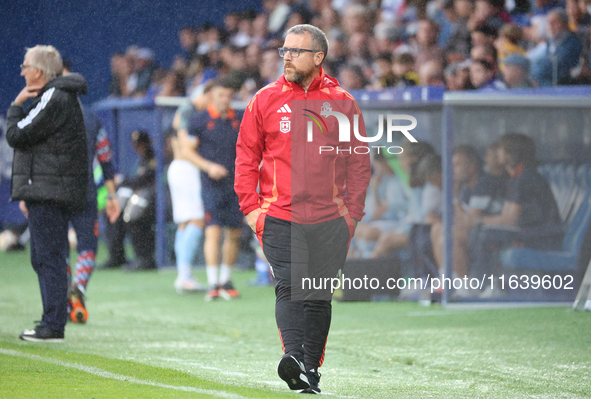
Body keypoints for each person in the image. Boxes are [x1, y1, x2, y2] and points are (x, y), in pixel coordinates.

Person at [235, 24, 371, 393]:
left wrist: (352, 216)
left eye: (296, 50)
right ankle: (292, 358)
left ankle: (310, 371)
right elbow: (247, 157)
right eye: (285, 50)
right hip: (279, 215)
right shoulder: (264, 100)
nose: (288, 57)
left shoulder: (342, 102)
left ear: (318, 57)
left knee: (318, 295)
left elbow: (359, 161)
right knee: (290, 285)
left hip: (331, 219)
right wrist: (251, 210)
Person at [6, 45, 88, 342]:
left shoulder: (54, 96)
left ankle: (53, 325)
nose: (22, 71)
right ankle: (52, 319)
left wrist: (15, 106)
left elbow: (17, 134)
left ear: (38, 72)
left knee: (49, 257)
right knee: (43, 257)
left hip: (51, 192)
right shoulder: (58, 96)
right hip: (49, 189)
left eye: (25, 66)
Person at [61, 62, 121, 323]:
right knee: (87, 246)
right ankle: (79, 287)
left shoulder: (43, 116)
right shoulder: (92, 119)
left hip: (52, 193)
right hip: (84, 192)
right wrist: (112, 196)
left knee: (57, 248)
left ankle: (61, 295)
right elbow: (106, 159)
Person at [184, 78, 244, 301]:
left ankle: (226, 280)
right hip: (210, 185)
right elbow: (187, 151)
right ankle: (212, 283)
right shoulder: (199, 120)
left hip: (236, 184)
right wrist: (208, 167)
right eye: (220, 95)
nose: (224, 100)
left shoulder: (239, 119)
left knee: (234, 233)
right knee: (213, 230)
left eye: (228, 96)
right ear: (212, 96)